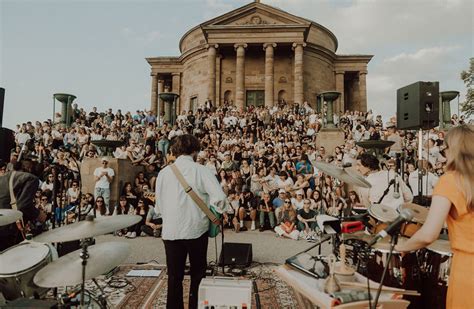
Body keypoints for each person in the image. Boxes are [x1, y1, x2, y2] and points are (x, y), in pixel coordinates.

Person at [396, 125, 474, 309]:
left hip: (468, 269)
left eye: (444, 149)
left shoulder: (450, 181)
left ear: (452, 149)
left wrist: (403, 247)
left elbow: (428, 234)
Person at [155, 134, 227, 309]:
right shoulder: (202, 170)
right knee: (198, 274)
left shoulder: (164, 173)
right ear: (195, 150)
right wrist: (214, 214)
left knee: (174, 276)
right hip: (196, 229)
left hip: (171, 231)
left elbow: (158, 207)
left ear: (175, 150)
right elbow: (220, 198)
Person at [0, 159, 47, 251]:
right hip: (9, 231)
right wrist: (38, 214)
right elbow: (23, 205)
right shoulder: (31, 178)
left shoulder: (4, 178)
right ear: (29, 168)